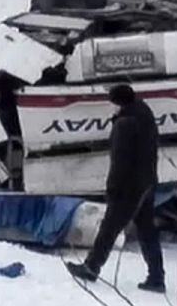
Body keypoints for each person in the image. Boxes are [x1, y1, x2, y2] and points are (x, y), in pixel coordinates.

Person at [66, 84, 165, 292]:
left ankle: (92, 267)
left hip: (127, 188)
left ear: (118, 103)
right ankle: (157, 276)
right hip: (147, 182)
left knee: (108, 229)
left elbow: (120, 161)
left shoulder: (124, 125)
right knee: (147, 231)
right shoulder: (145, 114)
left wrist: (112, 188)